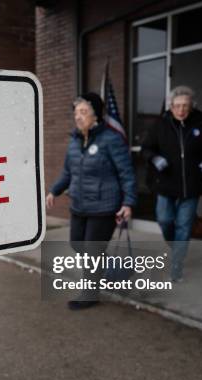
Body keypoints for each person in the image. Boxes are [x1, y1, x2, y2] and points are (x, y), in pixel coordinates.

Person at [46, 92, 136, 309]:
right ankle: (103, 265)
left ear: (96, 116)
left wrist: (128, 202)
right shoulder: (75, 141)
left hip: (104, 206)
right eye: (76, 112)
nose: (78, 117)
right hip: (79, 204)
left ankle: (89, 294)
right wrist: (54, 191)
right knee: (77, 244)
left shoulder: (111, 140)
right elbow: (68, 172)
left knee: (92, 251)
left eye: (83, 112)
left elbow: (127, 173)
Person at [141, 86, 202, 282]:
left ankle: (176, 266)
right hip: (166, 182)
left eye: (185, 105)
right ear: (171, 106)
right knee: (165, 220)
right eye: (177, 106)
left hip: (191, 184)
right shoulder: (160, 124)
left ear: (192, 106)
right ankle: (176, 245)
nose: (181, 110)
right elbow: (146, 148)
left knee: (184, 226)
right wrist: (155, 158)